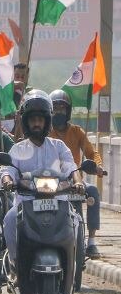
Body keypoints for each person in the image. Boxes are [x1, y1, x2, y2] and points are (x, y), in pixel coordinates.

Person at [0, 90, 84, 270]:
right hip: (26, 202)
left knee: (75, 221)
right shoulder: (17, 149)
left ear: (47, 121)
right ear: (26, 122)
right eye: (33, 120)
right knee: (9, 219)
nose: (37, 123)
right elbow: (8, 170)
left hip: (57, 201)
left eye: (40, 119)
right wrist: (7, 180)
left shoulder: (59, 146)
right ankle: (15, 263)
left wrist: (78, 182)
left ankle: (72, 265)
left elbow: (71, 167)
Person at [48, 89, 105, 258]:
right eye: (55, 109)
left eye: (62, 109)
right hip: (50, 181)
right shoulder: (45, 132)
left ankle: (92, 242)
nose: (59, 112)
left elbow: (92, 153)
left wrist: (98, 166)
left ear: (68, 111)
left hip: (75, 180)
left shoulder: (77, 131)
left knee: (93, 191)